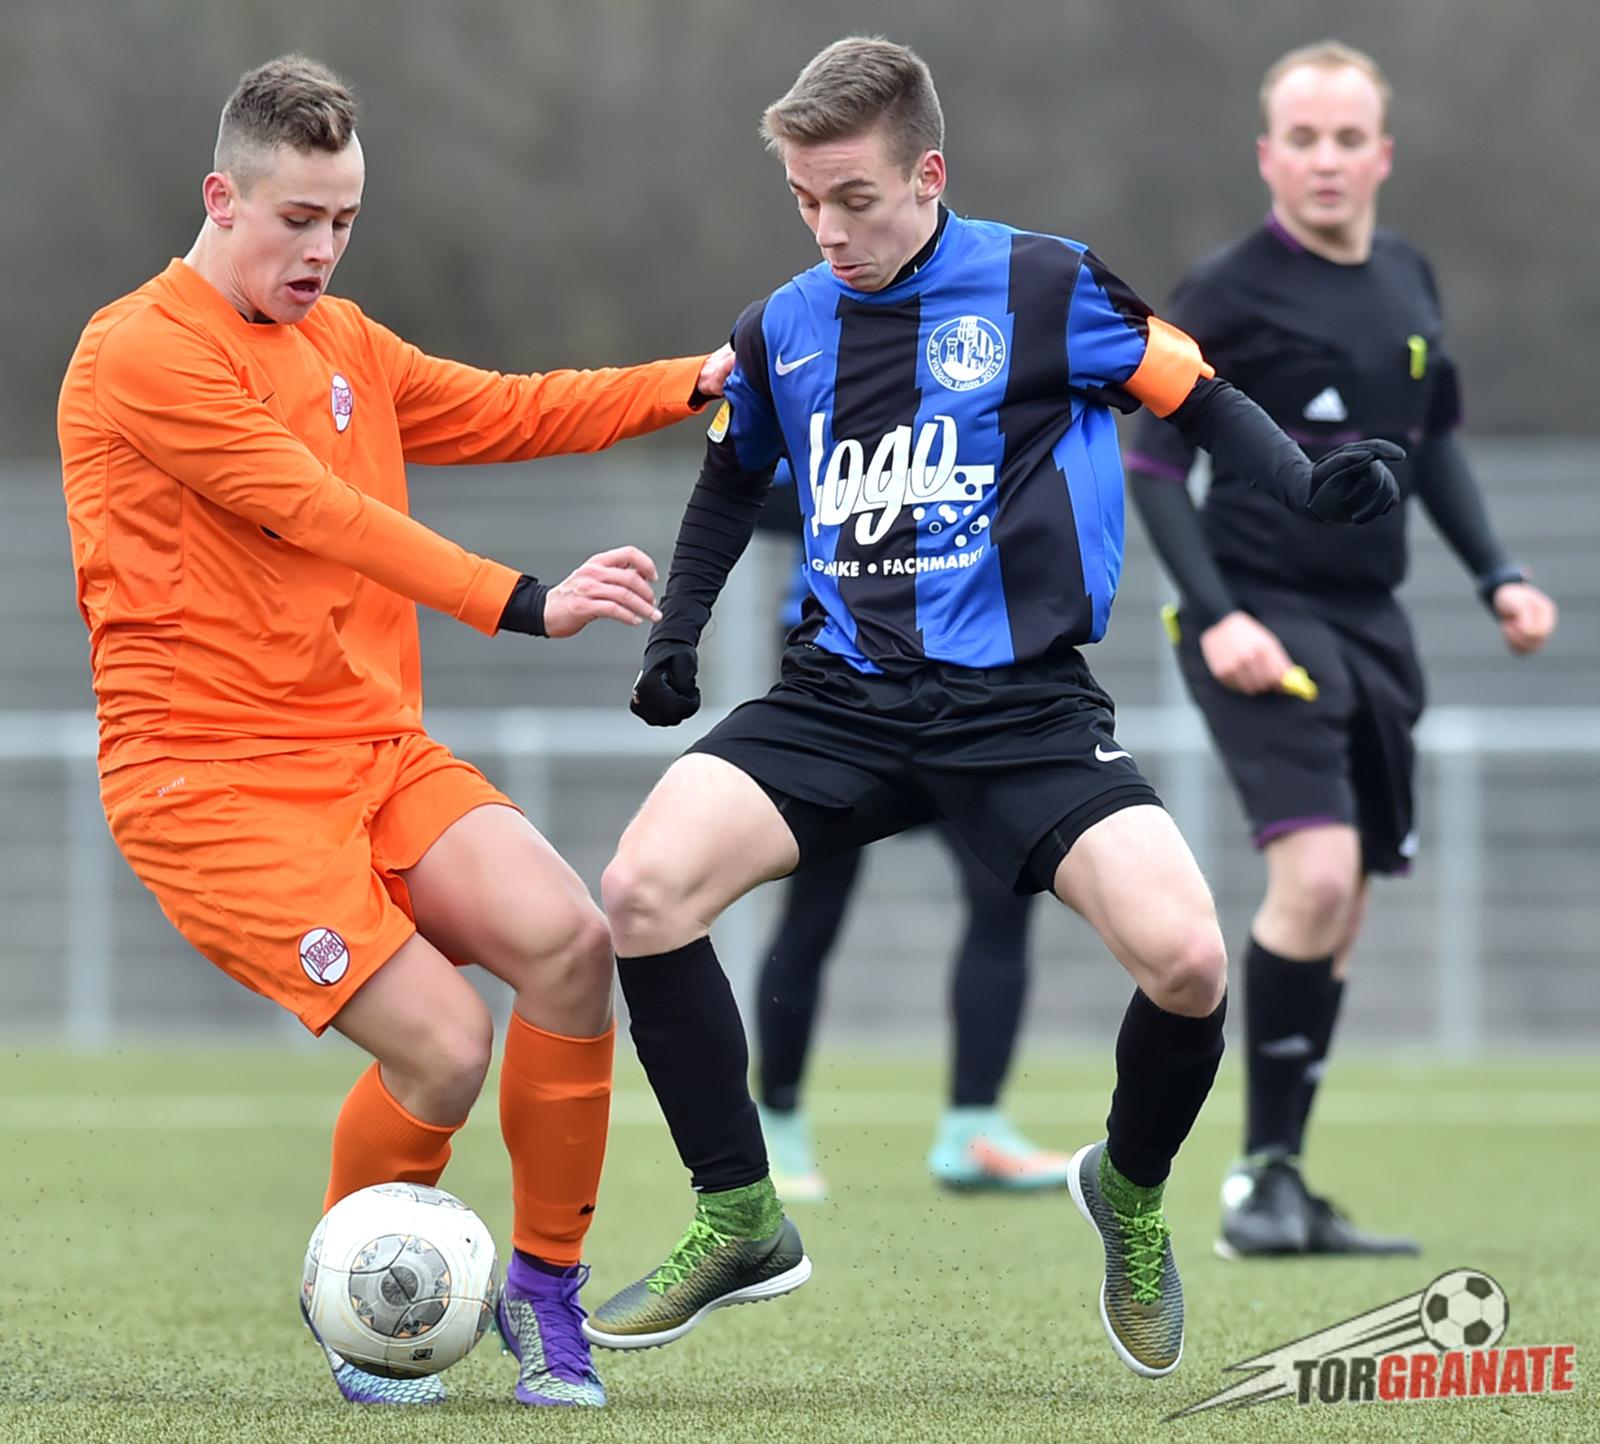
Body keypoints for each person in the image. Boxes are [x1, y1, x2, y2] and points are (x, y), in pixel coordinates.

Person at [584, 37, 1400, 1379]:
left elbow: (1195, 396)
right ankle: (739, 1217)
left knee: (1190, 962)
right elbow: (732, 480)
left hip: (1021, 709)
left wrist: (1306, 485)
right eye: (804, 199)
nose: (826, 228)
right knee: (640, 891)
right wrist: (677, 635)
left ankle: (1127, 1191)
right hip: (839, 698)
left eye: (853, 197)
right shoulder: (782, 324)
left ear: (928, 177)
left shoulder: (1046, 284)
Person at [56, 55, 733, 1410]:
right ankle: (359, 1303)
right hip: (210, 782)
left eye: (345, 220)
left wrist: (696, 380)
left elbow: (508, 407)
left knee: (570, 945)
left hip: (372, 752)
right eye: (298, 218)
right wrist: (522, 600)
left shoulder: (347, 343)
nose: (321, 249)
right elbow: (315, 509)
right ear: (222, 199)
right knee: (442, 1042)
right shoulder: (140, 351)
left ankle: (544, 1293)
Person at [1124, 41, 1557, 1260]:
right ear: (1267, 156)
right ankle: (1248, 1184)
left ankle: (1279, 1181)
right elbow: (1151, 464)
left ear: (1382, 155)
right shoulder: (1222, 291)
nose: (1325, 159)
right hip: (1257, 613)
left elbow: (1436, 443)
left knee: (1348, 892)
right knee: (1313, 878)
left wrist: (1499, 574)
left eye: (1347, 138)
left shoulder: (1409, 277)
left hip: (1374, 621)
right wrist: (1220, 616)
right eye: (1302, 139)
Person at [751, 465, 1065, 1199]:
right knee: (813, 905)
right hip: (839, 666)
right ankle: (775, 1131)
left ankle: (973, 1131)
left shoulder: (990, 392)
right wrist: (892, 498)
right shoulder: (820, 390)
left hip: (967, 669)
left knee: (1004, 887)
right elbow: (750, 488)